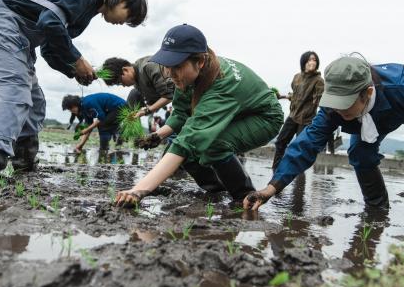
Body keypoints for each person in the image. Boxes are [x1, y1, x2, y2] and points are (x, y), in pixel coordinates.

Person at [243, 55, 404, 228]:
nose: (338, 111)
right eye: (335, 104)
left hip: (403, 108)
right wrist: (271, 188)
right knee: (359, 152)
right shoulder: (333, 109)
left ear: (367, 93)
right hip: (367, 120)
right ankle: (378, 212)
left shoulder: (402, 88)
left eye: (345, 105)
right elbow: (306, 145)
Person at [0, 0, 147, 175]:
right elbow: (49, 21)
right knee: (14, 86)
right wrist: (78, 60)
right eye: (128, 17)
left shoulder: (86, 12)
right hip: (3, 18)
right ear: (122, 0)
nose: (123, 23)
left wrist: (73, 70)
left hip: (20, 33)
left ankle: (24, 160)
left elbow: (49, 49)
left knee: (35, 100)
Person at [114, 24, 283, 206]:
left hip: (264, 117)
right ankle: (216, 190)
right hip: (237, 111)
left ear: (200, 62)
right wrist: (158, 135)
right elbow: (180, 113)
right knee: (194, 148)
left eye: (176, 66)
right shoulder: (187, 77)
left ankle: (244, 197)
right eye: (166, 67)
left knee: (212, 145)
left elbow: (189, 141)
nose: (171, 74)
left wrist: (139, 190)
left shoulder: (221, 84)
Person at [272, 51, 324, 170]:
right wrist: (283, 96)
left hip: (306, 119)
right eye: (310, 60)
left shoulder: (319, 80)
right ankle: (276, 170)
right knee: (280, 142)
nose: (312, 62)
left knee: (300, 147)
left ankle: (298, 173)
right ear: (304, 62)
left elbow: (319, 100)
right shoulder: (297, 77)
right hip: (293, 116)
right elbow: (295, 95)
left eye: (315, 60)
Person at [100, 55, 174, 118]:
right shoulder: (136, 83)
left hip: (182, 96)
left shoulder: (148, 67)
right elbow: (152, 102)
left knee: (133, 93)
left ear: (125, 70)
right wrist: (141, 111)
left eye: (120, 82)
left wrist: (147, 110)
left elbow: (170, 95)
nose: (123, 85)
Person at [62, 93, 127, 153]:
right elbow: (89, 127)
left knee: (103, 125)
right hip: (111, 110)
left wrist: (86, 130)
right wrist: (80, 145)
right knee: (104, 125)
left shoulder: (88, 103)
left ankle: (104, 149)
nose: (71, 112)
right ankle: (112, 146)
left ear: (74, 105)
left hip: (120, 107)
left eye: (71, 109)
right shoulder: (83, 109)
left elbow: (101, 118)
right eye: (69, 110)